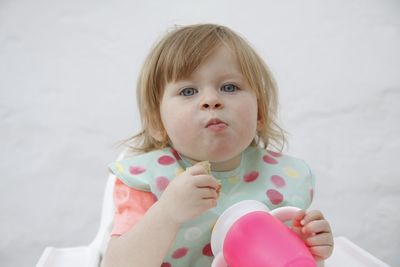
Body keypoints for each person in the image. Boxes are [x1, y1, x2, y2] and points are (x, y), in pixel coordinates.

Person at [102, 23, 333, 267]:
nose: (211, 100)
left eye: (229, 87)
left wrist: (308, 246)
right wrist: (168, 212)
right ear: (157, 122)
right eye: (189, 91)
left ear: (260, 113)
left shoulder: (284, 178)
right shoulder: (147, 180)